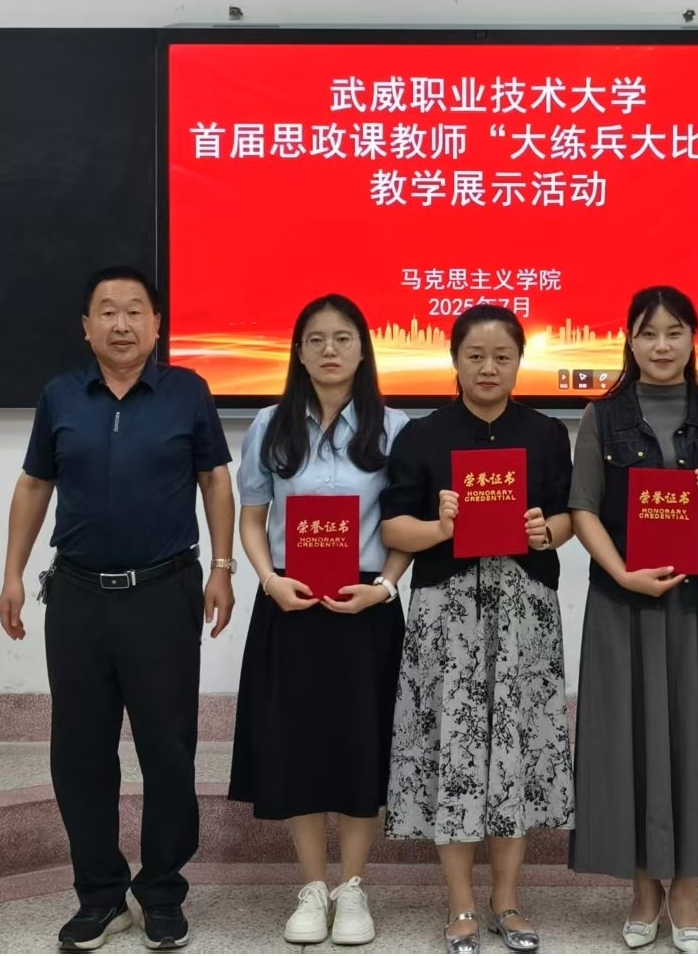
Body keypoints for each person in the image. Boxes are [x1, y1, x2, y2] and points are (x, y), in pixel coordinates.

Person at [0, 265, 235, 952]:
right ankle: (100, 896)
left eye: (135, 310)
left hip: (164, 591)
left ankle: (162, 891)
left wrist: (223, 568)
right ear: (86, 326)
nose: (122, 323)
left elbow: (214, 479)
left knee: (168, 748)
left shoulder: (187, 392)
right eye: (107, 311)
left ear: (157, 324)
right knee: (79, 751)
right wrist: (11, 574)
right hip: (76, 596)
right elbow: (34, 485)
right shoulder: (60, 396)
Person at [567, 287, 698, 955]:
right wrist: (621, 571)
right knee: (629, 743)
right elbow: (584, 508)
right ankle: (640, 885)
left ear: (692, 339)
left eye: (674, 332)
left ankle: (684, 886)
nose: (661, 345)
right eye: (648, 333)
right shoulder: (601, 416)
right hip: (623, 605)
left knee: (693, 739)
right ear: (628, 340)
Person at [380, 305, 575, 955]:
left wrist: (548, 531)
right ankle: (461, 902)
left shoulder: (546, 433)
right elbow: (393, 527)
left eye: (502, 356)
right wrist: (440, 527)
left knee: (514, 751)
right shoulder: (422, 436)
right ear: (454, 360)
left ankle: (507, 901)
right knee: (456, 755)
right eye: (475, 356)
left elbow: (569, 517)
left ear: (519, 362)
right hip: (448, 613)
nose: (488, 368)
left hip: (524, 611)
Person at [227, 295, 412, 947]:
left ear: (363, 349)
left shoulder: (394, 428)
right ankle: (311, 888)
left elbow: (403, 525)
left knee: (362, 746)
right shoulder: (269, 424)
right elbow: (253, 518)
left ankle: (352, 888)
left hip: (365, 607)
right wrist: (269, 579)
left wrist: (385, 587)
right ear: (299, 352)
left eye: (342, 338)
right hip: (291, 602)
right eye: (315, 339)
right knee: (297, 747)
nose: (329, 350)